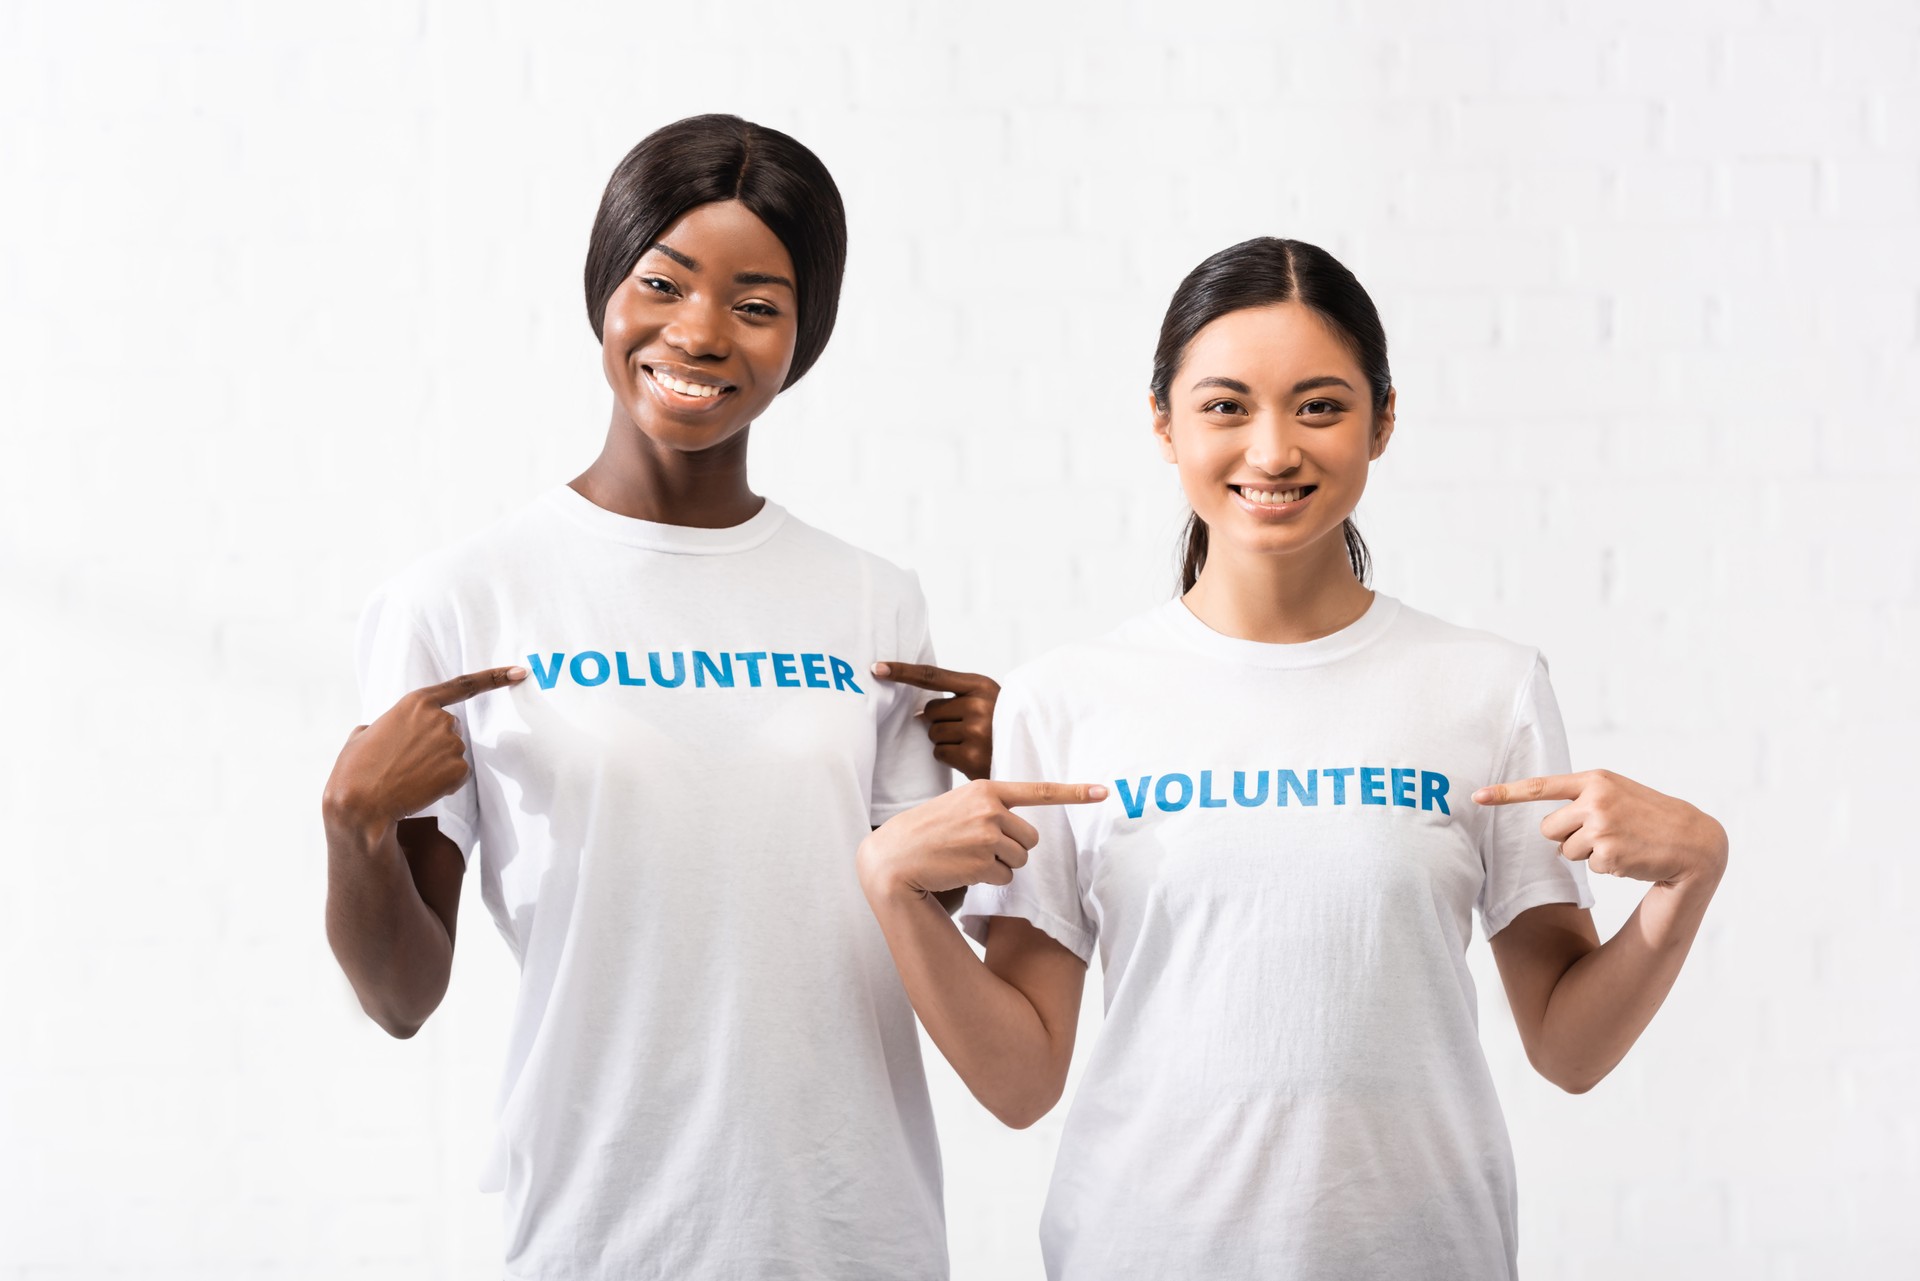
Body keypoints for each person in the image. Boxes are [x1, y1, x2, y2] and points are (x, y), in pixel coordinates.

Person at [855, 237, 1730, 1279]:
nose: (1273, 452)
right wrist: (893, 891)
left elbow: (1568, 1046)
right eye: (1227, 407)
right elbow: (1020, 1082)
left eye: (1319, 407)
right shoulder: (1069, 699)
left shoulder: (1484, 686)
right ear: (1163, 424)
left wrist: (1689, 879)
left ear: (1383, 420)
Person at [320, 113, 996, 1280]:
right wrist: (354, 824)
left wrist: (1010, 766)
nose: (698, 332)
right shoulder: (463, 600)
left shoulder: (873, 602)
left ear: (804, 337)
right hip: (599, 1232)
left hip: (854, 1228)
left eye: (756, 303)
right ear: (606, 291)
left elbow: (928, 944)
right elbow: (402, 1000)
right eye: (664, 282)